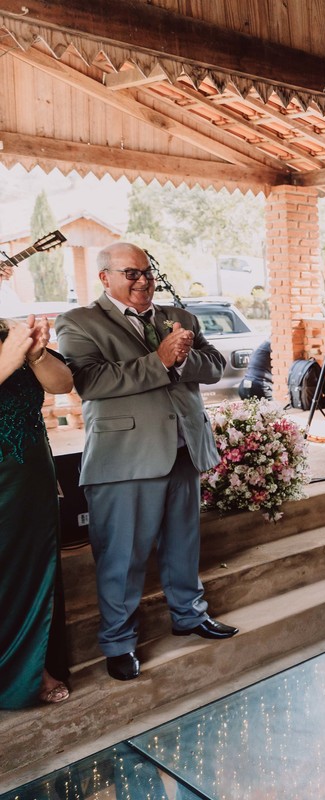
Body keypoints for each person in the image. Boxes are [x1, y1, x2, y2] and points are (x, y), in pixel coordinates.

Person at [55, 242, 238, 683]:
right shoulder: (79, 322)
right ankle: (118, 642)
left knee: (183, 545)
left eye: (147, 272)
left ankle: (189, 615)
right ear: (105, 277)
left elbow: (214, 366)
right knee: (122, 557)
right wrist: (160, 360)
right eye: (131, 273)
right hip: (125, 458)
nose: (142, 281)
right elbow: (91, 382)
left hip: (183, 449)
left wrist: (182, 358)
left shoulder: (179, 317)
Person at [0, 314, 75, 707]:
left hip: (31, 479)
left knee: (32, 570)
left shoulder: (7, 331)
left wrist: (36, 355)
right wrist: (7, 362)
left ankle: (33, 665)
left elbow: (62, 384)